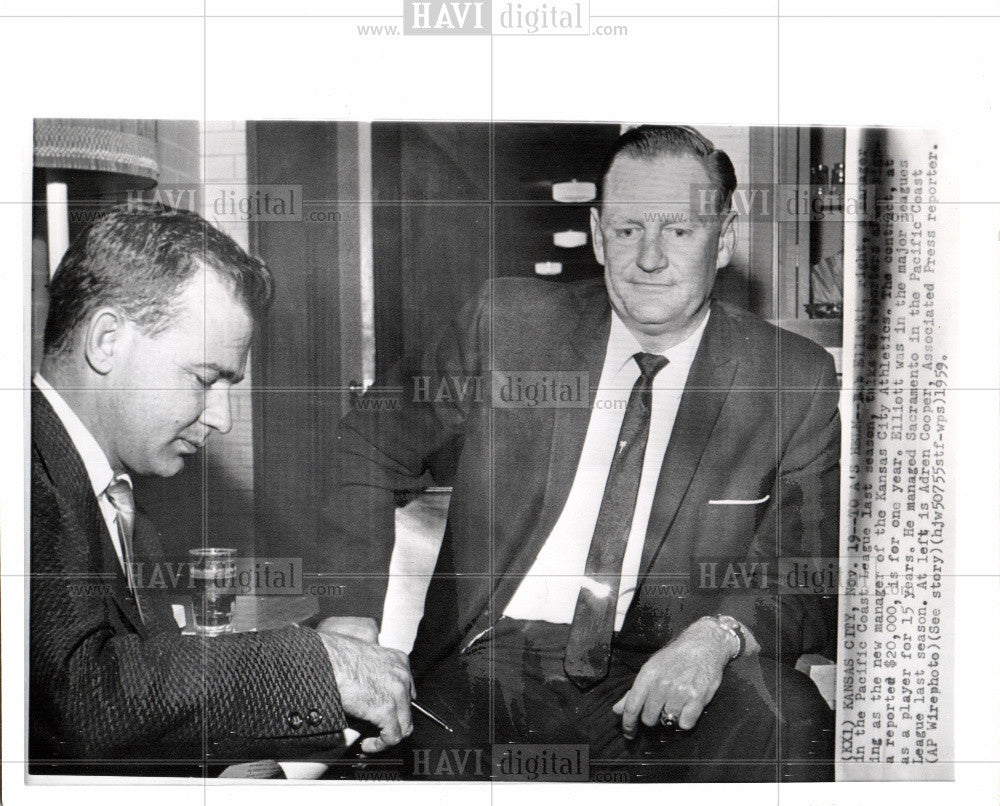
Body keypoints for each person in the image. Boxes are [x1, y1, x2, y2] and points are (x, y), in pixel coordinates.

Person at [327, 126, 840, 782]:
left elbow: (804, 569)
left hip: (671, 662)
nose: (649, 258)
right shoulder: (509, 326)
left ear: (724, 240)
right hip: (497, 663)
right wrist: (348, 614)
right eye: (627, 230)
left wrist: (718, 636)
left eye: (679, 231)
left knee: (788, 719)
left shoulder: (791, 377)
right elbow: (367, 444)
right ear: (598, 235)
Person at [30, 202, 413, 777]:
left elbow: (144, 714)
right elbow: (80, 698)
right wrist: (319, 664)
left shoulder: (116, 497)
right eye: (205, 379)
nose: (223, 418)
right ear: (107, 340)